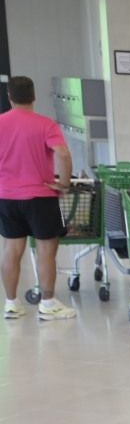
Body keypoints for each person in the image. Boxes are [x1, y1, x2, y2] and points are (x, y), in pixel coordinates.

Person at [0, 75, 75, 322]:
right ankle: (48, 303)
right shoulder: (45, 124)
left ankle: (11, 303)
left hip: (7, 196)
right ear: (33, 96)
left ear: (9, 96)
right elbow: (62, 153)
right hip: (40, 195)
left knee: (12, 249)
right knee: (46, 249)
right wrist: (64, 183)